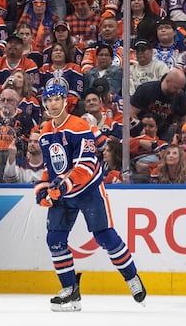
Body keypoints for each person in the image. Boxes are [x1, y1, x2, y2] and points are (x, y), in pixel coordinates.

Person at [35, 83, 146, 312]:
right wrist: (43, 189)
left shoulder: (79, 126)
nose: (53, 103)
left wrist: (61, 187)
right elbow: (51, 168)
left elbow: (85, 165)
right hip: (64, 192)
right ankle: (70, 291)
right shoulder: (45, 131)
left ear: (65, 100)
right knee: (54, 240)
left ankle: (131, 277)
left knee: (105, 237)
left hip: (88, 190)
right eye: (49, 100)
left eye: (57, 99)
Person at [130, 68, 186, 142]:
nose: (178, 91)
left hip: (164, 131)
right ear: (167, 81)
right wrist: (141, 133)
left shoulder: (180, 96)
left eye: (181, 88)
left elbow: (182, 120)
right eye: (176, 88)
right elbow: (131, 114)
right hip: (143, 129)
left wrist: (180, 137)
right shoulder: (146, 90)